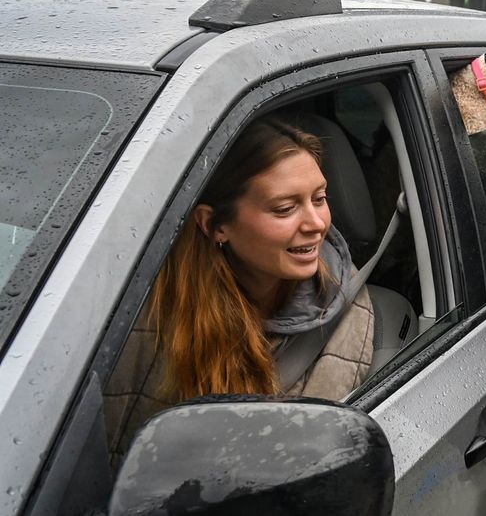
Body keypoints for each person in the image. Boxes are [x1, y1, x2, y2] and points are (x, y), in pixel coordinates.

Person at [104, 118, 375, 459]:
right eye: (285, 208)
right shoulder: (141, 310)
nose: (317, 224)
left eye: (319, 199)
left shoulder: (342, 306)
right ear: (215, 225)